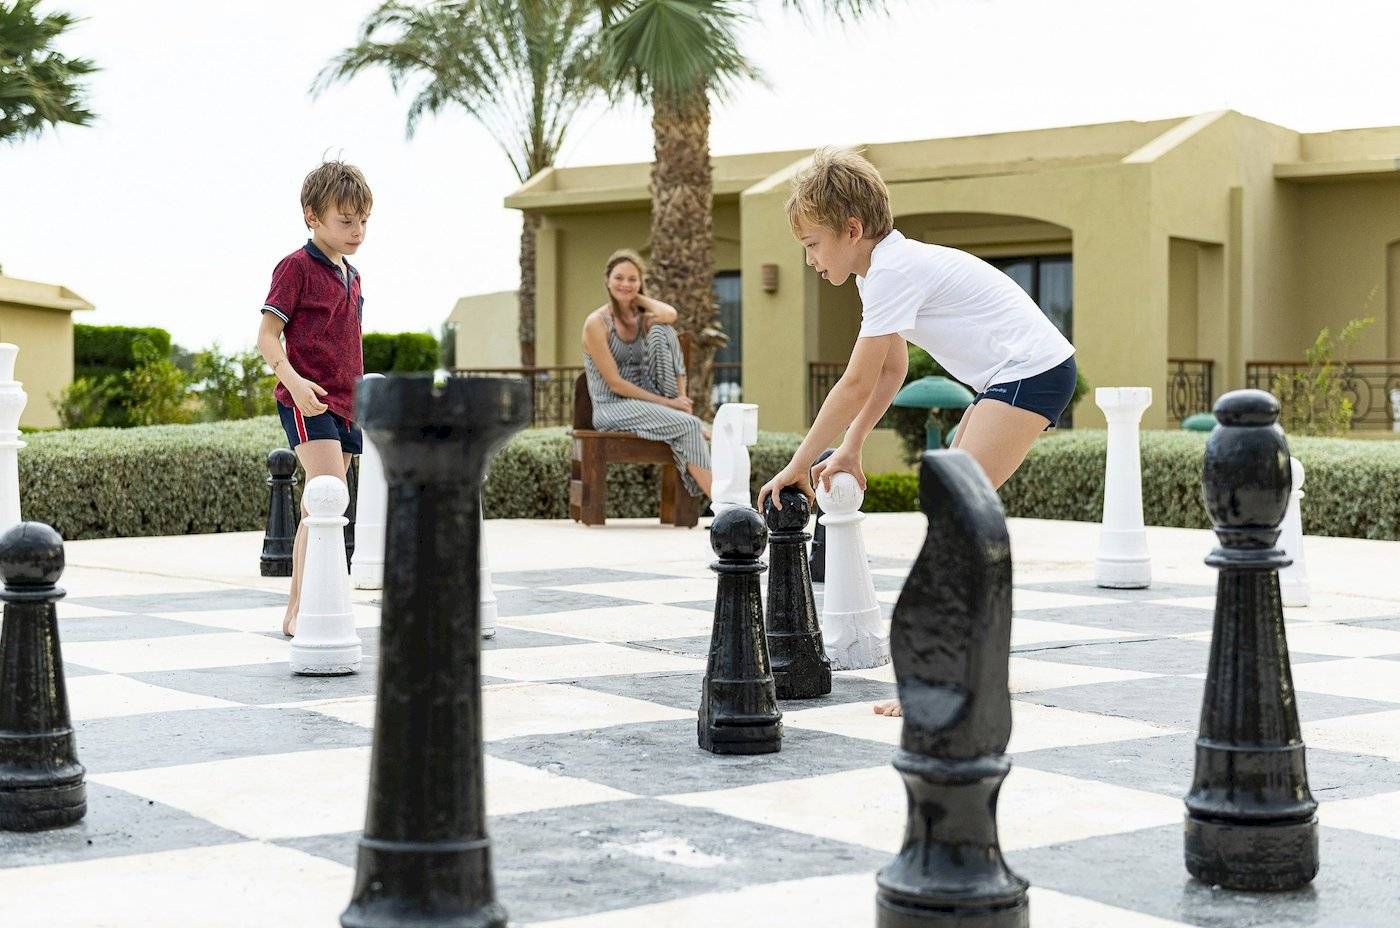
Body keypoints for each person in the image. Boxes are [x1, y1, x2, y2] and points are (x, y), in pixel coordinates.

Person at [756, 147, 1076, 717]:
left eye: (811, 244)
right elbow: (893, 368)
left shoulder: (891, 272)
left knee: (956, 521)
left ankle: (946, 679)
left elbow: (855, 383)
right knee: (957, 519)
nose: (808, 260)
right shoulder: (877, 271)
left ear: (852, 230)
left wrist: (797, 464)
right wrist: (851, 446)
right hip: (1016, 377)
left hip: (1029, 374)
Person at [256, 160, 372, 637]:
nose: (357, 230)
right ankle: (298, 611)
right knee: (325, 499)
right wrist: (295, 382)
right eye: (346, 221)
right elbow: (266, 336)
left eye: (363, 220)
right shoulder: (295, 267)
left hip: (348, 403)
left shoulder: (354, 275)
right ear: (312, 215)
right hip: (308, 400)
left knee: (324, 506)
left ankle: (313, 602)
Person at [581, 249, 713, 498]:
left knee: (664, 330)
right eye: (619, 278)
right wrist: (669, 404)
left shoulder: (642, 317)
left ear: (641, 283)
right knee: (690, 426)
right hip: (612, 407)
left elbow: (670, 315)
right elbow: (615, 384)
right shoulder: (596, 323)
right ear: (607, 280)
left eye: (633, 279)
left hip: (649, 404)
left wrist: (637, 299)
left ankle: (726, 508)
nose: (625, 284)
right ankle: (726, 506)